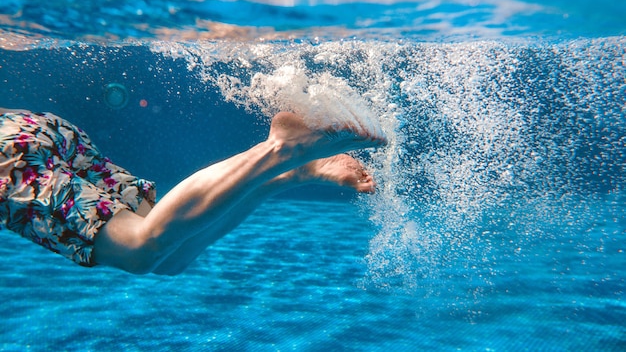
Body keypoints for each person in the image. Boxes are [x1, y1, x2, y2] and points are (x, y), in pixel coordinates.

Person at [0, 108, 385, 275]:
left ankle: (282, 149)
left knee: (138, 248)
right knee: (169, 255)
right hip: (31, 126)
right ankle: (286, 174)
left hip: (8, 157)